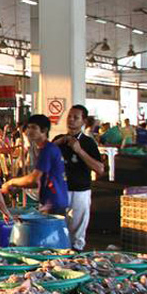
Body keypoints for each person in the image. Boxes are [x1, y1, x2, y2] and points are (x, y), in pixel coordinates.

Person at [53, 106, 105, 250]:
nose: (71, 120)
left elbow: (99, 169)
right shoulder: (58, 140)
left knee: (76, 235)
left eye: (76, 117)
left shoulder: (88, 143)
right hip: (59, 190)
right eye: (69, 116)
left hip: (79, 191)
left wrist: (79, 151)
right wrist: (54, 145)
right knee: (56, 228)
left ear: (83, 121)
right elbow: (43, 160)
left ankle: (76, 258)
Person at [1, 114, 69, 215]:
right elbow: (37, 182)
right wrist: (18, 186)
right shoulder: (45, 149)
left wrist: (11, 183)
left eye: (34, 127)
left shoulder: (47, 150)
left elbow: (33, 179)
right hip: (52, 201)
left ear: (44, 130)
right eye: (28, 127)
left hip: (53, 202)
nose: (29, 131)